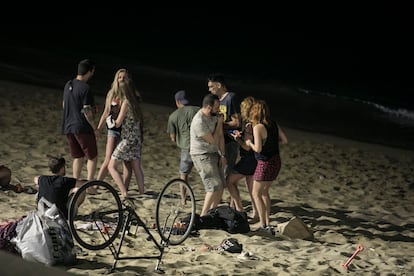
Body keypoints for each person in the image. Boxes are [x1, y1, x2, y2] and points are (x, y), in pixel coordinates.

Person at [245, 99, 288, 234]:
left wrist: (249, 142)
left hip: (265, 162)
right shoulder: (274, 124)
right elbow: (285, 140)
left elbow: (257, 149)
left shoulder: (258, 127)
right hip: (276, 160)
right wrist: (272, 143)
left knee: (256, 193)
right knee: (264, 193)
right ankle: (267, 222)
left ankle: (263, 224)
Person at [61, 59, 98, 182]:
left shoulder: (68, 84)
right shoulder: (85, 88)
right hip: (82, 127)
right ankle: (90, 185)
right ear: (90, 71)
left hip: (68, 125)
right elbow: (87, 110)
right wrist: (95, 127)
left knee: (78, 156)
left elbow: (64, 104)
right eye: (92, 71)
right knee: (92, 157)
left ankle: (75, 182)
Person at [190, 93, 226, 216]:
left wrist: (223, 155)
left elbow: (220, 136)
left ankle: (212, 211)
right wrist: (220, 123)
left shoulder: (214, 116)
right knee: (213, 185)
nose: (219, 109)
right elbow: (213, 140)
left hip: (214, 153)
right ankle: (204, 214)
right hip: (201, 155)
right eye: (217, 107)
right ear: (209, 107)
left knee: (221, 184)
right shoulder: (198, 121)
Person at [108, 82, 144, 198]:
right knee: (136, 166)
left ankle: (123, 191)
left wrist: (110, 119)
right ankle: (142, 191)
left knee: (111, 166)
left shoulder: (126, 103)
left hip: (127, 139)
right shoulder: (136, 104)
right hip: (137, 138)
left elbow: (117, 124)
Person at [226, 96, 258, 220]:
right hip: (255, 159)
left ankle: (239, 209)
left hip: (248, 159)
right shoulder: (256, 123)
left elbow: (247, 147)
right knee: (251, 189)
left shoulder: (249, 125)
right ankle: (255, 213)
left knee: (230, 180)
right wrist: (241, 134)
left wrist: (237, 138)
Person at [96, 68, 130, 182]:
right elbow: (106, 112)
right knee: (108, 158)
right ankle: (96, 184)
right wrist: (99, 128)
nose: (122, 80)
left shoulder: (129, 95)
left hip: (126, 131)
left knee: (126, 162)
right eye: (120, 77)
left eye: (124, 78)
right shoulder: (112, 93)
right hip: (113, 130)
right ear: (116, 79)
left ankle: (125, 187)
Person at [167, 90, 199, 204]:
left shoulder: (173, 116)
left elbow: (172, 137)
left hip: (186, 148)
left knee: (183, 174)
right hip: (199, 146)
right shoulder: (197, 110)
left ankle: (183, 198)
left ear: (177, 101)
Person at [207, 73, 241, 178]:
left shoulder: (231, 98)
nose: (209, 90)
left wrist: (220, 125)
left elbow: (237, 123)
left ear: (219, 85)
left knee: (225, 174)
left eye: (211, 87)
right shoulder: (217, 100)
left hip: (229, 142)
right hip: (219, 140)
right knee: (215, 173)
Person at [34, 155, 86, 219]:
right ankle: (73, 212)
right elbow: (84, 184)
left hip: (43, 212)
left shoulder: (42, 179)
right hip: (62, 215)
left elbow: (35, 179)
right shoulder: (65, 181)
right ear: (62, 168)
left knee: (39, 189)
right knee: (81, 190)